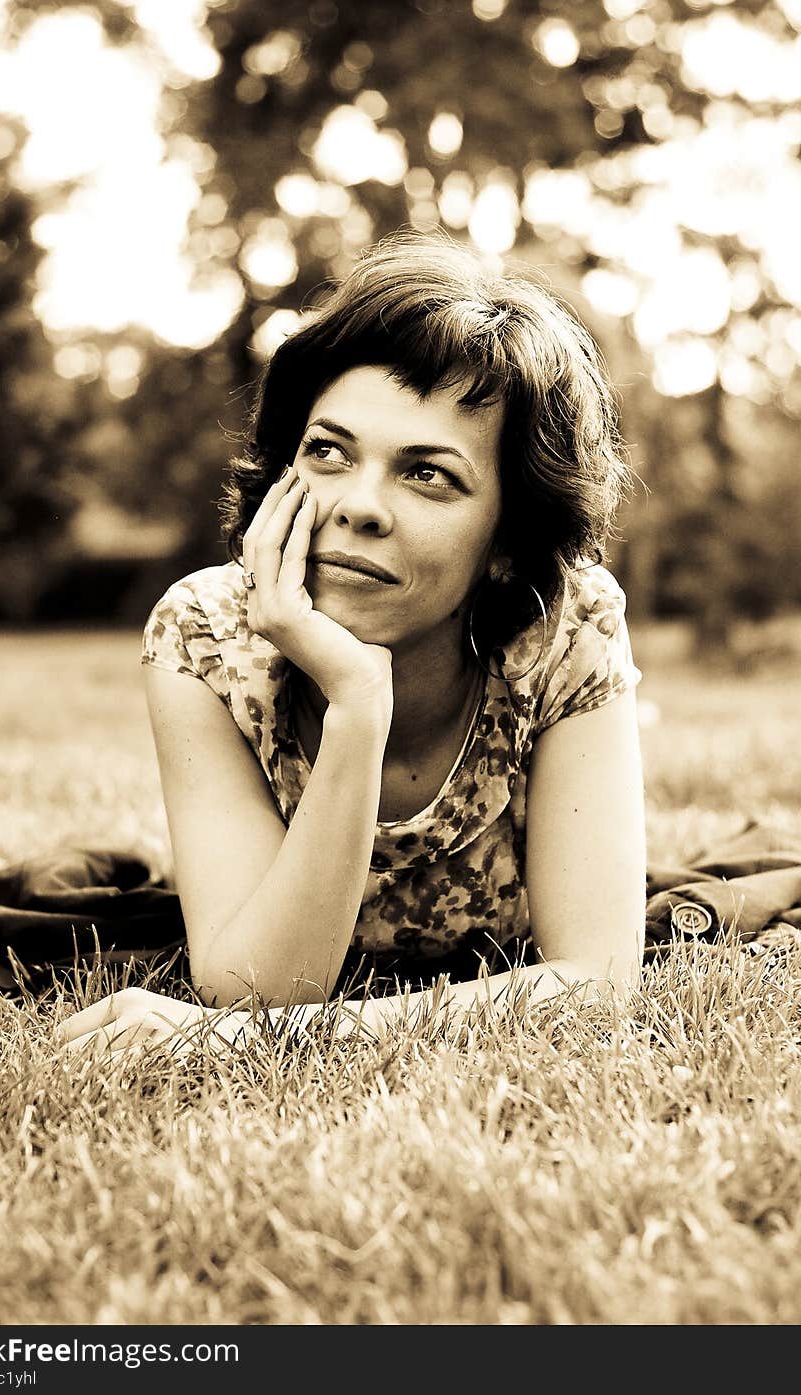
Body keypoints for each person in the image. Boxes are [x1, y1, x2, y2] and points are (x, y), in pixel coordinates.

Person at [59, 234, 647, 1058]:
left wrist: (287, 1037)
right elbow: (251, 986)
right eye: (328, 452)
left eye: (427, 473)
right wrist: (359, 706)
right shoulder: (204, 637)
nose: (358, 506)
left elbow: (597, 980)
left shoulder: (567, 628)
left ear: (507, 539)